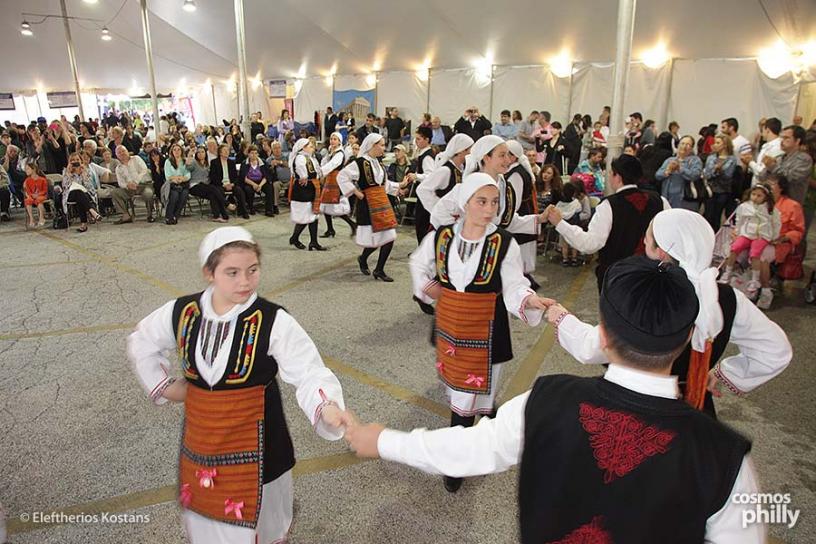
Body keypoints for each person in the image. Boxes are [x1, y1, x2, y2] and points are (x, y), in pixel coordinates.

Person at [346, 256, 765, 544]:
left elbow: (467, 449)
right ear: (689, 338)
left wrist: (382, 439)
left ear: (602, 335)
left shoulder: (546, 400)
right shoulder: (726, 456)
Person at [128, 226, 347, 544]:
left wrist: (326, 406)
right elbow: (142, 339)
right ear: (209, 273)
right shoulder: (182, 312)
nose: (244, 282)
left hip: (262, 451)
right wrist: (165, 386)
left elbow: (308, 370)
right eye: (232, 272)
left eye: (252, 270)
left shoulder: (273, 320)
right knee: (208, 526)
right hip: (204, 449)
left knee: (266, 525)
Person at [549, 208, 791, 416]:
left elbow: (593, 347)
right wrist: (725, 372)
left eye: (647, 238)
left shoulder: (646, 294)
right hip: (693, 410)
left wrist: (560, 317)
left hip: (635, 407)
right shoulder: (724, 296)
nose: (643, 242)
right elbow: (775, 350)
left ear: (662, 251)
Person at [408, 172, 552, 492]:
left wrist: (529, 299)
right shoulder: (441, 237)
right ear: (465, 203)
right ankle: (462, 456)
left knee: (478, 398)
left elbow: (514, 287)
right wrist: (432, 290)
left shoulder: (503, 244)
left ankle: (463, 455)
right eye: (481, 201)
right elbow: (419, 264)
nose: (489, 210)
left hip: (488, 333)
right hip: (452, 330)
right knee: (462, 400)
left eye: (494, 202)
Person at [547, 154, 668, 291]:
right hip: (652, 277)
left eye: (610, 173)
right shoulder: (660, 201)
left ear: (617, 176)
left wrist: (560, 223)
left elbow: (590, 244)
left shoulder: (609, 205)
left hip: (617, 279)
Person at [337, 133, 401, 282]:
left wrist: (400, 186)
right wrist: (356, 192)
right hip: (368, 205)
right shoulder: (360, 162)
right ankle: (364, 258)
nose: (384, 148)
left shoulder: (377, 163)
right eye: (382, 145)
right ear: (373, 145)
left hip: (381, 202)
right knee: (377, 239)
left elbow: (383, 185)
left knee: (389, 237)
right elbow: (342, 176)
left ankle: (378, 269)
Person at [719, 184, 780, 299]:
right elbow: (739, 219)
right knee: (734, 248)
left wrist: (774, 236)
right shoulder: (744, 206)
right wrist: (737, 231)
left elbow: (776, 224)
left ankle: (755, 279)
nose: (755, 197)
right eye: (753, 194)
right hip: (746, 233)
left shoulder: (771, 209)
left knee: (755, 253)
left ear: (766, 197)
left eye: (759, 195)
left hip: (761, 235)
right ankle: (727, 272)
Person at [505, 140, 540, 286]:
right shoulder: (517, 171)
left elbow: (514, 202)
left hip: (521, 218)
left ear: (512, 157)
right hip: (523, 217)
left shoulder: (516, 174)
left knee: (521, 263)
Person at [287, 138, 326, 251]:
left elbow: (316, 172)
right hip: (303, 190)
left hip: (311, 188)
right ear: (303, 147)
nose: (312, 147)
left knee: (313, 216)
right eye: (309, 146)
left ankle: (313, 242)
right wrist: (303, 176)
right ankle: (295, 238)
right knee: (306, 217)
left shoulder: (310, 158)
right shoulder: (300, 157)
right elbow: (300, 169)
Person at [319, 132, 356, 237]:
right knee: (326, 205)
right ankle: (330, 229)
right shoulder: (331, 151)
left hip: (335, 181)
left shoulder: (339, 153)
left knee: (335, 206)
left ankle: (352, 224)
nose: (332, 141)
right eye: (331, 139)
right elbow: (324, 162)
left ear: (339, 141)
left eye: (335, 139)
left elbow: (331, 165)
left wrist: (320, 173)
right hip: (330, 179)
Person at [405, 126, 437, 242]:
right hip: (424, 193)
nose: (416, 141)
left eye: (419, 139)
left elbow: (432, 176)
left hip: (426, 195)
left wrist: (416, 176)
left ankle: (423, 251)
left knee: (422, 223)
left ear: (427, 140)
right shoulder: (424, 154)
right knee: (421, 223)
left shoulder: (427, 156)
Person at [656, 135, 703, 210]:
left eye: (688, 145)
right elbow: (658, 175)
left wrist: (680, 168)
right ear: (678, 145)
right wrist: (667, 171)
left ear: (691, 148)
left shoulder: (695, 160)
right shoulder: (670, 160)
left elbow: (695, 175)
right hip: (667, 198)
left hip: (685, 200)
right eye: (682, 143)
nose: (684, 146)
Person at [59, 151, 102, 233]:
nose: (75, 161)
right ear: (70, 161)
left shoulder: (86, 170)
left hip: (85, 193)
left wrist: (83, 175)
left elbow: (90, 187)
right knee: (78, 193)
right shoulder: (65, 171)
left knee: (80, 196)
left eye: (77, 159)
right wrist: (69, 174)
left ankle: (84, 224)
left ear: (81, 161)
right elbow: (65, 186)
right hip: (70, 194)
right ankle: (92, 211)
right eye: (73, 160)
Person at [703, 134, 738, 231]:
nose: (715, 145)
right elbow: (707, 173)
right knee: (708, 214)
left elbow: (728, 176)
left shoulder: (731, 159)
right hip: (710, 190)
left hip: (723, 191)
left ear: (725, 145)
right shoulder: (711, 157)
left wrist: (720, 171)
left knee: (716, 215)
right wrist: (715, 171)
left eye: (718, 143)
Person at [114, 145, 155, 223]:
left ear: (127, 151)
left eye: (123, 151)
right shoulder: (118, 168)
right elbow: (120, 182)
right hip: (129, 188)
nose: (122, 153)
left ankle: (150, 215)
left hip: (143, 185)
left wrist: (135, 182)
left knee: (148, 194)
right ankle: (126, 215)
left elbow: (144, 170)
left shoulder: (136, 158)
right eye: (119, 153)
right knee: (115, 193)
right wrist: (127, 185)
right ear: (117, 156)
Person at [187, 146, 229, 223]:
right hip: (195, 186)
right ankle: (226, 203)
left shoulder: (207, 164)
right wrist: (189, 156)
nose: (200, 154)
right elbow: (188, 167)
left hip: (205, 186)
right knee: (213, 188)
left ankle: (220, 216)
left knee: (213, 194)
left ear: (205, 153)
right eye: (198, 152)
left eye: (202, 152)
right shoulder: (194, 162)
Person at [209, 143, 249, 219]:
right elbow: (213, 177)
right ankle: (223, 213)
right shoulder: (214, 162)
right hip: (220, 184)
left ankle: (243, 211)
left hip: (230, 184)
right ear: (220, 152)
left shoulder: (231, 162)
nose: (227, 152)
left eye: (227, 150)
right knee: (219, 191)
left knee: (239, 191)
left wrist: (232, 184)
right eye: (224, 150)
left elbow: (235, 177)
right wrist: (224, 185)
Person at [238, 145, 273, 216]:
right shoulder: (244, 163)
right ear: (248, 154)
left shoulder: (262, 162)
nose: (254, 155)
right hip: (249, 182)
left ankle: (269, 210)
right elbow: (244, 178)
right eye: (252, 153)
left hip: (261, 182)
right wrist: (254, 184)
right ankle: (251, 207)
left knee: (269, 188)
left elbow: (266, 176)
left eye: (255, 153)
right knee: (248, 189)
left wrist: (260, 185)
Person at [555, 182, 583, 266]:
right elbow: (579, 210)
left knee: (564, 243)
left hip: (563, 226)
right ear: (574, 192)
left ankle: (565, 259)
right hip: (574, 225)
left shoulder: (559, 204)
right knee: (574, 243)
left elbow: (557, 212)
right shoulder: (576, 202)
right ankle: (574, 259)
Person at [163, 143, 191, 225]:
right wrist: (175, 178)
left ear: (181, 151)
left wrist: (182, 178)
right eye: (174, 150)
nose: (177, 151)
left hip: (183, 183)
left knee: (184, 195)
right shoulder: (168, 162)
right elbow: (167, 175)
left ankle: (175, 215)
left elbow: (188, 174)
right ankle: (169, 216)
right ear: (171, 152)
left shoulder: (184, 161)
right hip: (172, 184)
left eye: (178, 150)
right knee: (174, 195)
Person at [23, 162, 49, 227]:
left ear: (33, 169)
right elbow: (28, 191)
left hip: (41, 196)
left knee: (39, 200)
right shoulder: (27, 180)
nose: (26, 171)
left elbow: (45, 190)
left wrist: (38, 194)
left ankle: (41, 218)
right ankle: (31, 219)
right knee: (28, 200)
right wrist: (31, 195)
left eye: (28, 169)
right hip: (32, 196)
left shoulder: (42, 179)